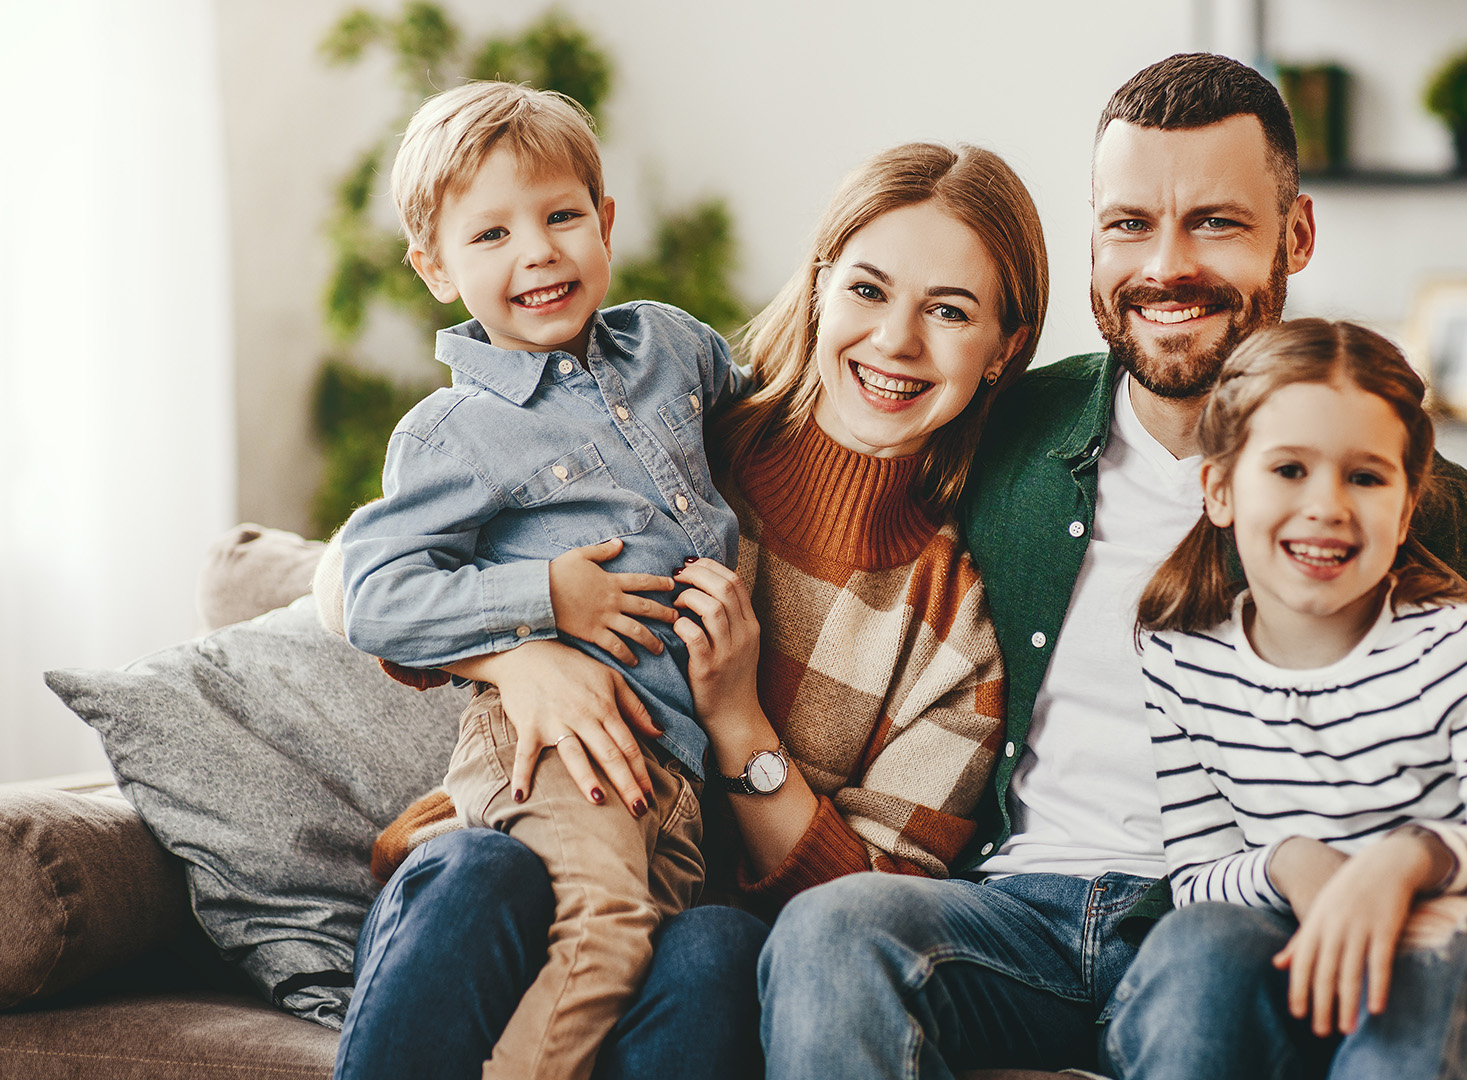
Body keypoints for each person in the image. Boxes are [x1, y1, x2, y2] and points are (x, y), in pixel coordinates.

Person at [756, 53, 1467, 1079]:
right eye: (1129, 224)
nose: (1165, 267)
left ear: (1295, 236)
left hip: (1234, 913)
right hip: (1015, 912)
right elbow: (811, 439)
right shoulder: (1002, 429)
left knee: (1204, 959)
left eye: (1215, 223)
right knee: (835, 932)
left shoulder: (1408, 499)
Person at [332, 140, 1049, 1080]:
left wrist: (738, 720)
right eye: (868, 290)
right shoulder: (679, 430)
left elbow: (874, 920)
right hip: (513, 858)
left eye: (949, 312)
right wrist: (522, 657)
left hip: (686, 930)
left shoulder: (953, 629)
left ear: (1003, 350)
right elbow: (354, 578)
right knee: (479, 874)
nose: (897, 341)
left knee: (717, 948)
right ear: (822, 286)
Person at [1113, 319, 1467, 1079]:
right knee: (1199, 945)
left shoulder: (1457, 642)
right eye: (1288, 470)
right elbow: (1196, 878)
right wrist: (1290, 863)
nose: (1327, 505)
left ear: (1408, 507)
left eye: (1366, 477)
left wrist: (1402, 864)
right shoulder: (1183, 657)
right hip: (1351, 956)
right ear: (1219, 489)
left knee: (1430, 944)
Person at [334, 80, 745, 1080]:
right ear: (435, 269)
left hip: (674, 769)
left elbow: (779, 418)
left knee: (645, 956)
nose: (539, 251)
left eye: (562, 215)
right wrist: (541, 606)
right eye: (492, 236)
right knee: (603, 932)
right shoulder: (455, 430)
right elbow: (372, 597)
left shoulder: (675, 347)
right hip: (553, 750)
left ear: (605, 222)